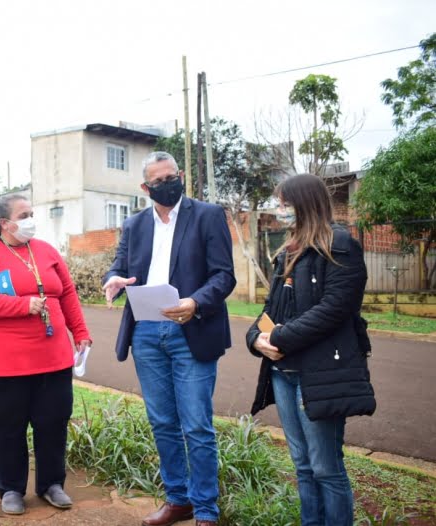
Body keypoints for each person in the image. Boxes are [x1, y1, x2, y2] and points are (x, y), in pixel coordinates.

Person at [103, 151, 235, 526]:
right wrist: (114, 279)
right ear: (146, 188)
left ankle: (206, 510)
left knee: (196, 424)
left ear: (181, 175)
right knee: (162, 422)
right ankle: (178, 500)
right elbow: (121, 266)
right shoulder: (134, 224)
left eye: (172, 176)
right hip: (145, 331)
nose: (168, 184)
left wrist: (195, 302)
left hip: (191, 329)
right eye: (158, 181)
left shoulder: (207, 215)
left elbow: (224, 276)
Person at [246, 174, 375, 526]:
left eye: (286, 203)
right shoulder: (287, 251)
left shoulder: (341, 245)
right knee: (302, 466)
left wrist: (281, 337)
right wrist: (255, 337)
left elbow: (335, 309)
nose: (280, 210)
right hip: (284, 374)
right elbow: (271, 310)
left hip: (320, 374)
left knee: (325, 467)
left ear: (306, 204)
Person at [0, 194, 91, 516]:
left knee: (53, 421)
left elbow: (68, 292)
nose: (32, 219)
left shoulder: (45, 250)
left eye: (33, 213)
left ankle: (51, 484)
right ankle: (12, 489)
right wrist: (22, 305)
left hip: (53, 354)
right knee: (9, 425)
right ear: (5, 223)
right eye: (24, 214)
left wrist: (81, 332)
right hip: (4, 356)